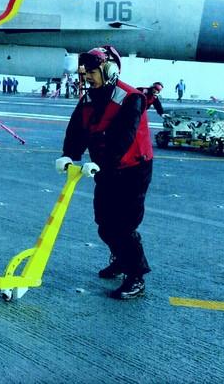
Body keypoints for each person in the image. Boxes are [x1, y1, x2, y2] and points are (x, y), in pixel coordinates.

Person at [56, 45, 153, 300]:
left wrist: (102, 164)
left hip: (133, 169)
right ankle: (121, 259)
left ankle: (136, 277)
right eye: (85, 72)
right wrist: (69, 154)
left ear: (109, 70)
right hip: (105, 168)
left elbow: (124, 138)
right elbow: (76, 129)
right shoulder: (89, 98)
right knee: (104, 225)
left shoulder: (131, 98)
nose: (87, 76)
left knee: (123, 225)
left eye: (92, 71)